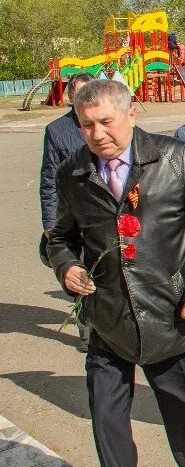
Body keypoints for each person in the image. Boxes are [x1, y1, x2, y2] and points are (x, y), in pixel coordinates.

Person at [47, 78, 185, 467]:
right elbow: (60, 237)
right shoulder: (74, 173)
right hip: (108, 320)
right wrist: (66, 266)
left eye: (106, 122)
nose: (97, 134)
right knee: (107, 420)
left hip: (172, 317)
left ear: (131, 113)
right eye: (86, 124)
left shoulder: (175, 160)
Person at [40, 72, 94, 351]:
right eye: (81, 95)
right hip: (72, 216)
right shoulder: (57, 131)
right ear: (71, 97)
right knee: (80, 270)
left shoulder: (106, 124)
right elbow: (49, 181)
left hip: (103, 215)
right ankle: (88, 333)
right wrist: (50, 225)